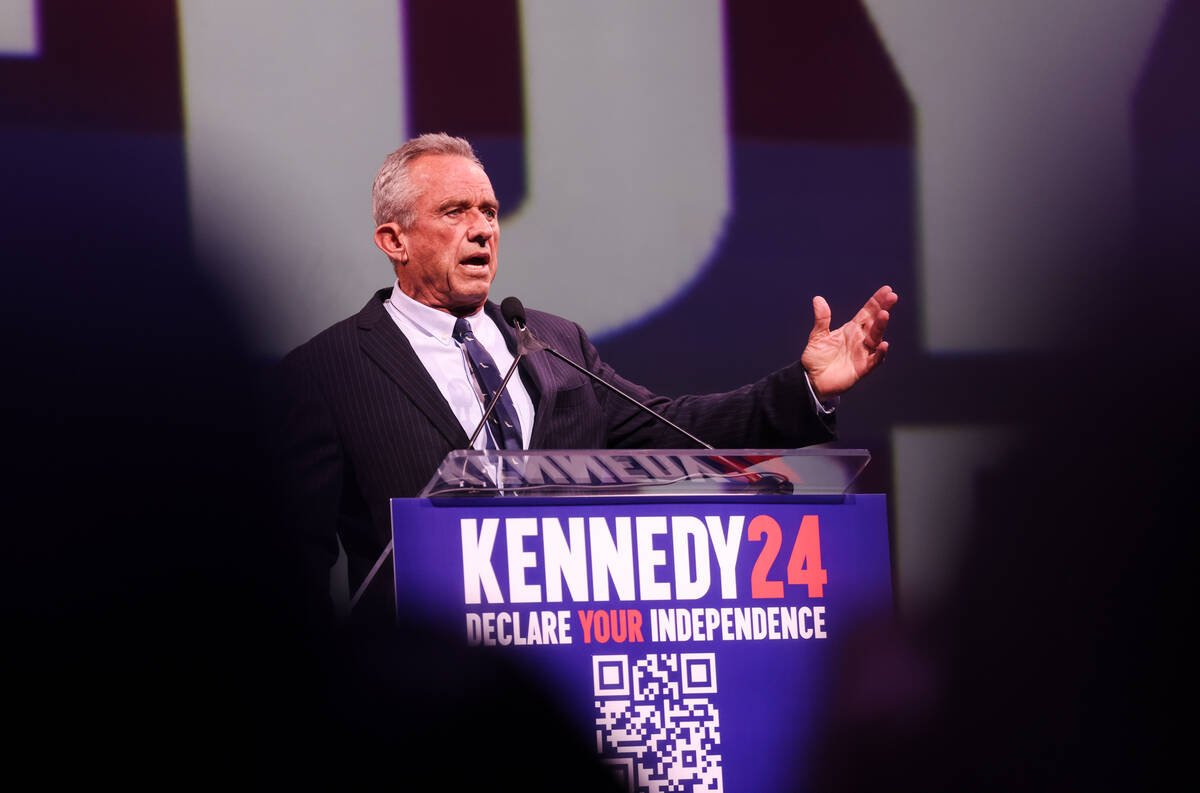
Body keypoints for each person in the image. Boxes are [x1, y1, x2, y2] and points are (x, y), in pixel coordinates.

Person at [276, 133, 898, 620]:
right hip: (418, 698)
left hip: (564, 663)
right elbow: (291, 565)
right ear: (395, 240)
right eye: (455, 211)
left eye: (490, 211)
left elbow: (673, 430)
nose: (483, 229)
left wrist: (806, 387)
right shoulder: (328, 371)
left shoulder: (550, 342)